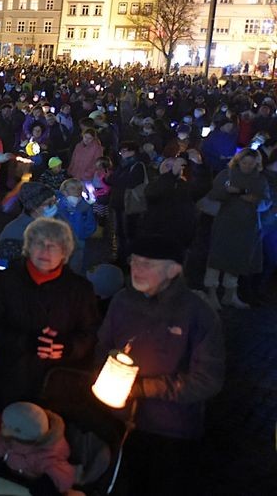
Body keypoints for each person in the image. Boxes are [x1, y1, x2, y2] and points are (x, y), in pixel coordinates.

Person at [97, 234, 225, 496]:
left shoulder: (198, 313)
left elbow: (208, 379)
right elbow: (102, 346)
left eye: (149, 264)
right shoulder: (122, 301)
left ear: (174, 269)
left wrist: (144, 388)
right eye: (134, 262)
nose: (138, 270)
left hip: (171, 430)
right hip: (119, 421)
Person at [0, 218, 100, 426]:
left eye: (54, 245)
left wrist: (67, 347)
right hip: (9, 384)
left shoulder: (80, 289)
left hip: (56, 391)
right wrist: (23, 342)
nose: (45, 250)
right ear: (28, 247)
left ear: (65, 252)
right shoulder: (7, 282)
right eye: (39, 243)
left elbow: (91, 333)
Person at [204, 148, 269, 310]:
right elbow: (215, 194)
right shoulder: (227, 175)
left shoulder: (259, 179)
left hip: (247, 225)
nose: (247, 166)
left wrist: (240, 192)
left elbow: (263, 201)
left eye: (251, 164)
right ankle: (211, 293)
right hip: (226, 222)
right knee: (218, 257)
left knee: (238, 258)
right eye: (244, 163)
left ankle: (230, 294)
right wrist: (234, 194)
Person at [0, 401, 75, 495]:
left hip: (29, 488)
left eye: (6, 425)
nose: (2, 426)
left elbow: (64, 475)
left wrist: (50, 482)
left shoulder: (48, 453)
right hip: (9, 481)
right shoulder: (7, 439)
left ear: (19, 432)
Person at [55, 178, 97, 273]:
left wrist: (82, 235)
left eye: (79, 188)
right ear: (64, 191)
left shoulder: (85, 206)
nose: (77, 190)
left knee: (76, 267)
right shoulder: (58, 206)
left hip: (79, 241)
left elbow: (91, 224)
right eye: (73, 188)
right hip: (61, 242)